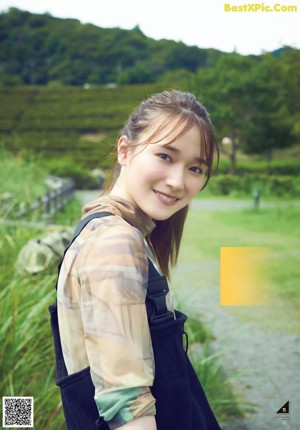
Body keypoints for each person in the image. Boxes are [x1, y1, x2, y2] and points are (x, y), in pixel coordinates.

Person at [51, 90, 221, 430]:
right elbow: (126, 405)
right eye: (165, 156)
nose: (177, 181)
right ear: (124, 150)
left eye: (195, 168)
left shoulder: (115, 231)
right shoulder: (115, 241)